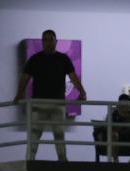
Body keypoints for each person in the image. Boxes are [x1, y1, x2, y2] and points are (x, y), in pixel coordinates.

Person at [17, 30, 85, 162]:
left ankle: (62, 161)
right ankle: (30, 162)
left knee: (59, 134)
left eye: (50, 40)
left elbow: (73, 77)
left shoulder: (63, 58)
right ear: (42, 42)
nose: (48, 42)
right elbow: (24, 78)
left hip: (58, 103)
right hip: (38, 103)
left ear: (56, 41)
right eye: (45, 40)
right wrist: (18, 94)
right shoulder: (35, 59)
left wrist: (82, 92)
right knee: (35, 134)